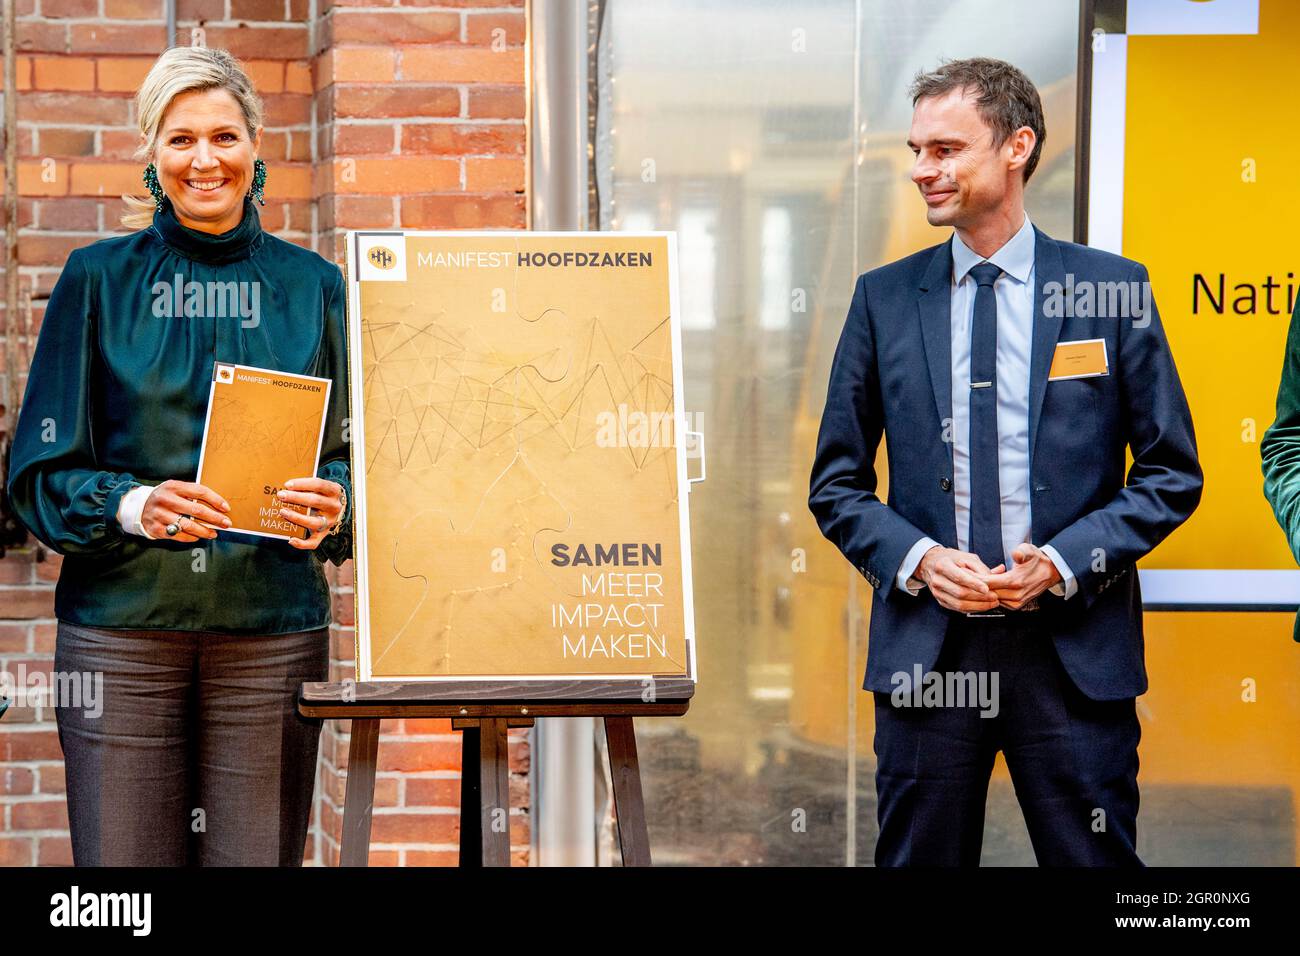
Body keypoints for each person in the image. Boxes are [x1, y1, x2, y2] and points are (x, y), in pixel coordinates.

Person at [808, 57, 1202, 866]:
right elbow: (837, 484)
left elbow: (1171, 473)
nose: (923, 170)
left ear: (1017, 146)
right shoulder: (883, 299)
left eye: (946, 149)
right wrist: (916, 559)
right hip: (929, 655)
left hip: (1073, 654)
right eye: (918, 150)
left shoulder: (1108, 289)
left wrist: (1062, 562)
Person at [5, 46, 353, 866]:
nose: (206, 160)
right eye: (181, 139)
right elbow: (38, 472)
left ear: (257, 146)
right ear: (152, 155)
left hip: (271, 631)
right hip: (121, 636)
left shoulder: (315, 287)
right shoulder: (94, 281)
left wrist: (338, 499)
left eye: (225, 137)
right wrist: (134, 503)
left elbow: (358, 456)